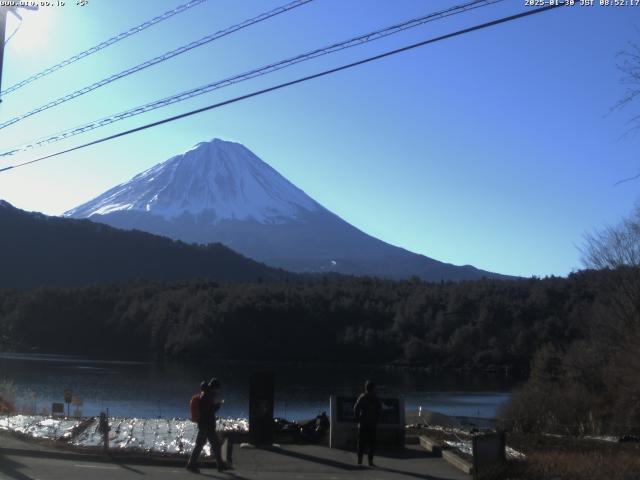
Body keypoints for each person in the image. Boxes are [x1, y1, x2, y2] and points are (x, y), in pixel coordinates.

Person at [186, 378, 225, 473]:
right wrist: (218, 405)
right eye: (217, 388)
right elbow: (207, 411)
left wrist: (215, 406)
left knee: (210, 445)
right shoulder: (207, 396)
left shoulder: (206, 394)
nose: (218, 391)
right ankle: (191, 465)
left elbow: (206, 410)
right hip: (207, 425)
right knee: (210, 445)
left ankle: (220, 465)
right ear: (215, 387)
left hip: (205, 424)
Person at [353, 380, 382, 467]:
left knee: (361, 442)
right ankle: (370, 461)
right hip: (371, 424)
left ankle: (360, 460)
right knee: (371, 443)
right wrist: (377, 419)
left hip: (363, 423)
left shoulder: (362, 397)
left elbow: (356, 409)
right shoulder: (376, 398)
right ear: (373, 388)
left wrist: (358, 419)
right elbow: (379, 410)